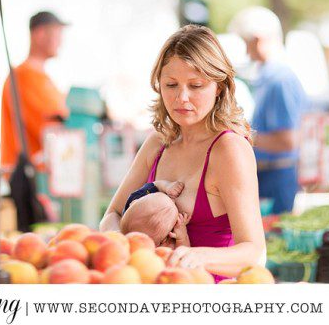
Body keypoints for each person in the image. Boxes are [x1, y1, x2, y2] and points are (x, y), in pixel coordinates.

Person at [100, 25, 266, 280]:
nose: (182, 98)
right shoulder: (158, 143)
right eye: (171, 85)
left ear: (219, 87)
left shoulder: (229, 149)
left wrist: (196, 256)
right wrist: (124, 246)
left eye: (196, 85)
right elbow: (112, 214)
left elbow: (253, 253)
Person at [229, 7, 308, 214]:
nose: (247, 51)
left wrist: (238, 135)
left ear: (257, 39)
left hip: (277, 176)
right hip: (269, 175)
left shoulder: (280, 80)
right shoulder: (268, 77)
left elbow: (286, 141)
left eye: (247, 43)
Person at [0, 11, 69, 173]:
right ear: (39, 34)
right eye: (57, 33)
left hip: (46, 178)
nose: (61, 41)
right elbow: (52, 126)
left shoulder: (45, 80)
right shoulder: (22, 77)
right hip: (27, 179)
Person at [119, 179, 190, 247]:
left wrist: (166, 186)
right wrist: (182, 237)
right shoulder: (162, 248)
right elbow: (183, 253)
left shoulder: (137, 196)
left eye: (164, 194)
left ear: (134, 202)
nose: (173, 198)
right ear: (164, 240)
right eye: (174, 205)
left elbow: (155, 185)